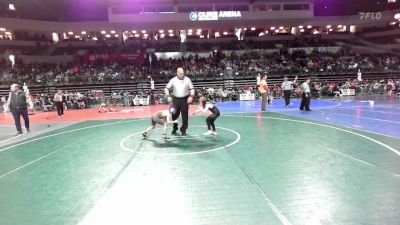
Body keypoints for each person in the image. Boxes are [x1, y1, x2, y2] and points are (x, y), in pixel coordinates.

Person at [165, 68, 195, 136]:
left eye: (183, 74)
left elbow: (192, 89)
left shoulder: (187, 79)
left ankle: (183, 129)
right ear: (177, 73)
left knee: (185, 116)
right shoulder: (173, 80)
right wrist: (168, 96)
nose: (182, 75)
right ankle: (175, 128)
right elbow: (166, 88)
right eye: (180, 74)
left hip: (185, 99)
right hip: (175, 99)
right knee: (174, 115)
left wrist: (191, 97)